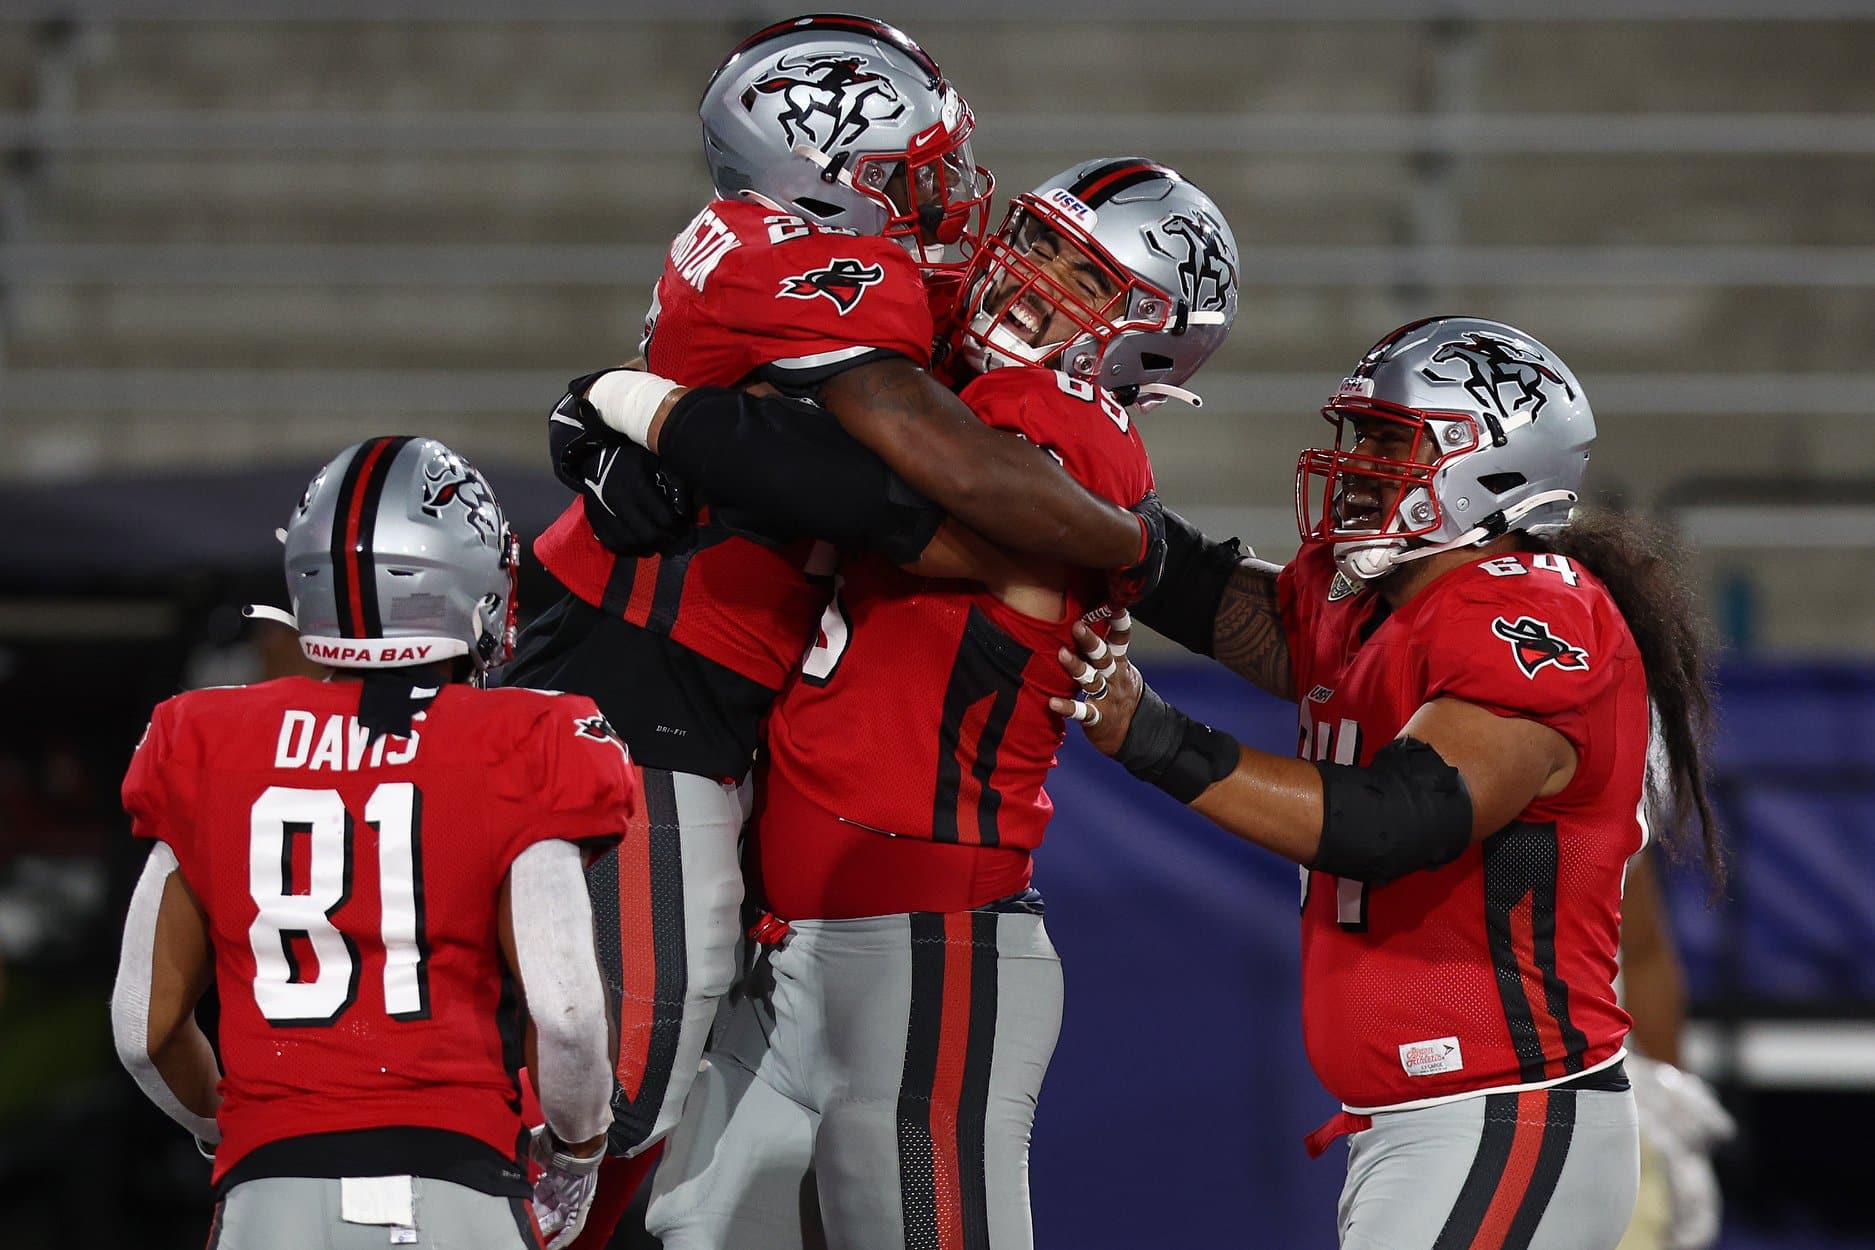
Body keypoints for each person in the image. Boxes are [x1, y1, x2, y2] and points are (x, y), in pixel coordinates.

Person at [506, 16, 1168, 1241]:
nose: (952, 199)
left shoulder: (803, 251)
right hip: (647, 677)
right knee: (626, 1068)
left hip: (685, 677)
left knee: (663, 1114)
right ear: (828, 171)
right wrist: (1136, 548)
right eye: (913, 170)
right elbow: (939, 467)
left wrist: (615, 402)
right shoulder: (805, 265)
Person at [592, 159, 1237, 1250]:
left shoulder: (1063, 422)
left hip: (926, 944)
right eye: (1035, 242)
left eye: (1082, 272)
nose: (1032, 280)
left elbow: (862, 483)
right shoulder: (961, 394)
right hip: (792, 940)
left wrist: (640, 403)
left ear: (1151, 335)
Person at [1057, 317, 1722, 1250]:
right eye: (1361, 435)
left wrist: (1149, 733)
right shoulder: (1385, 598)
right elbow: (1207, 592)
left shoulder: (1530, 615)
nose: (1359, 463)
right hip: (1434, 1120)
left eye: (1387, 440)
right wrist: (1067, 496)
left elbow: (1396, 821)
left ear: (1488, 464)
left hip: (1504, 1108)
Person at [110, 437, 634, 1250]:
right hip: (452, 1181)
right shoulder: (527, 736)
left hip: (268, 1193)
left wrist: (232, 1127)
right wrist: (576, 1152)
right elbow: (566, 1017)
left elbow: (141, 1029)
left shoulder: (205, 737)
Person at [1617, 850, 1735, 1250]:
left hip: (1602, 1109)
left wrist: (1670, 1117)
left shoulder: (1620, 800)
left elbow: (1642, 951)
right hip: (1450, 1104)